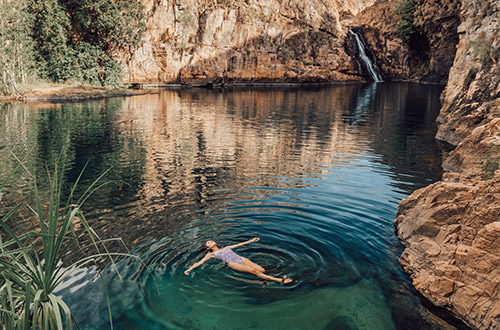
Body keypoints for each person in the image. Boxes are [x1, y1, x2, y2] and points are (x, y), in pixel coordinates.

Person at [184, 237, 292, 284]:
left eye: (210, 241)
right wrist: (189, 269)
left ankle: (263, 280)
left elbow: (239, 244)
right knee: (255, 271)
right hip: (233, 264)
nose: (211, 242)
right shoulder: (211, 254)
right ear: (208, 248)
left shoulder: (225, 247)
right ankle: (279, 280)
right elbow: (200, 262)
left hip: (241, 259)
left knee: (261, 270)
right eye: (208, 243)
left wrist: (251, 240)